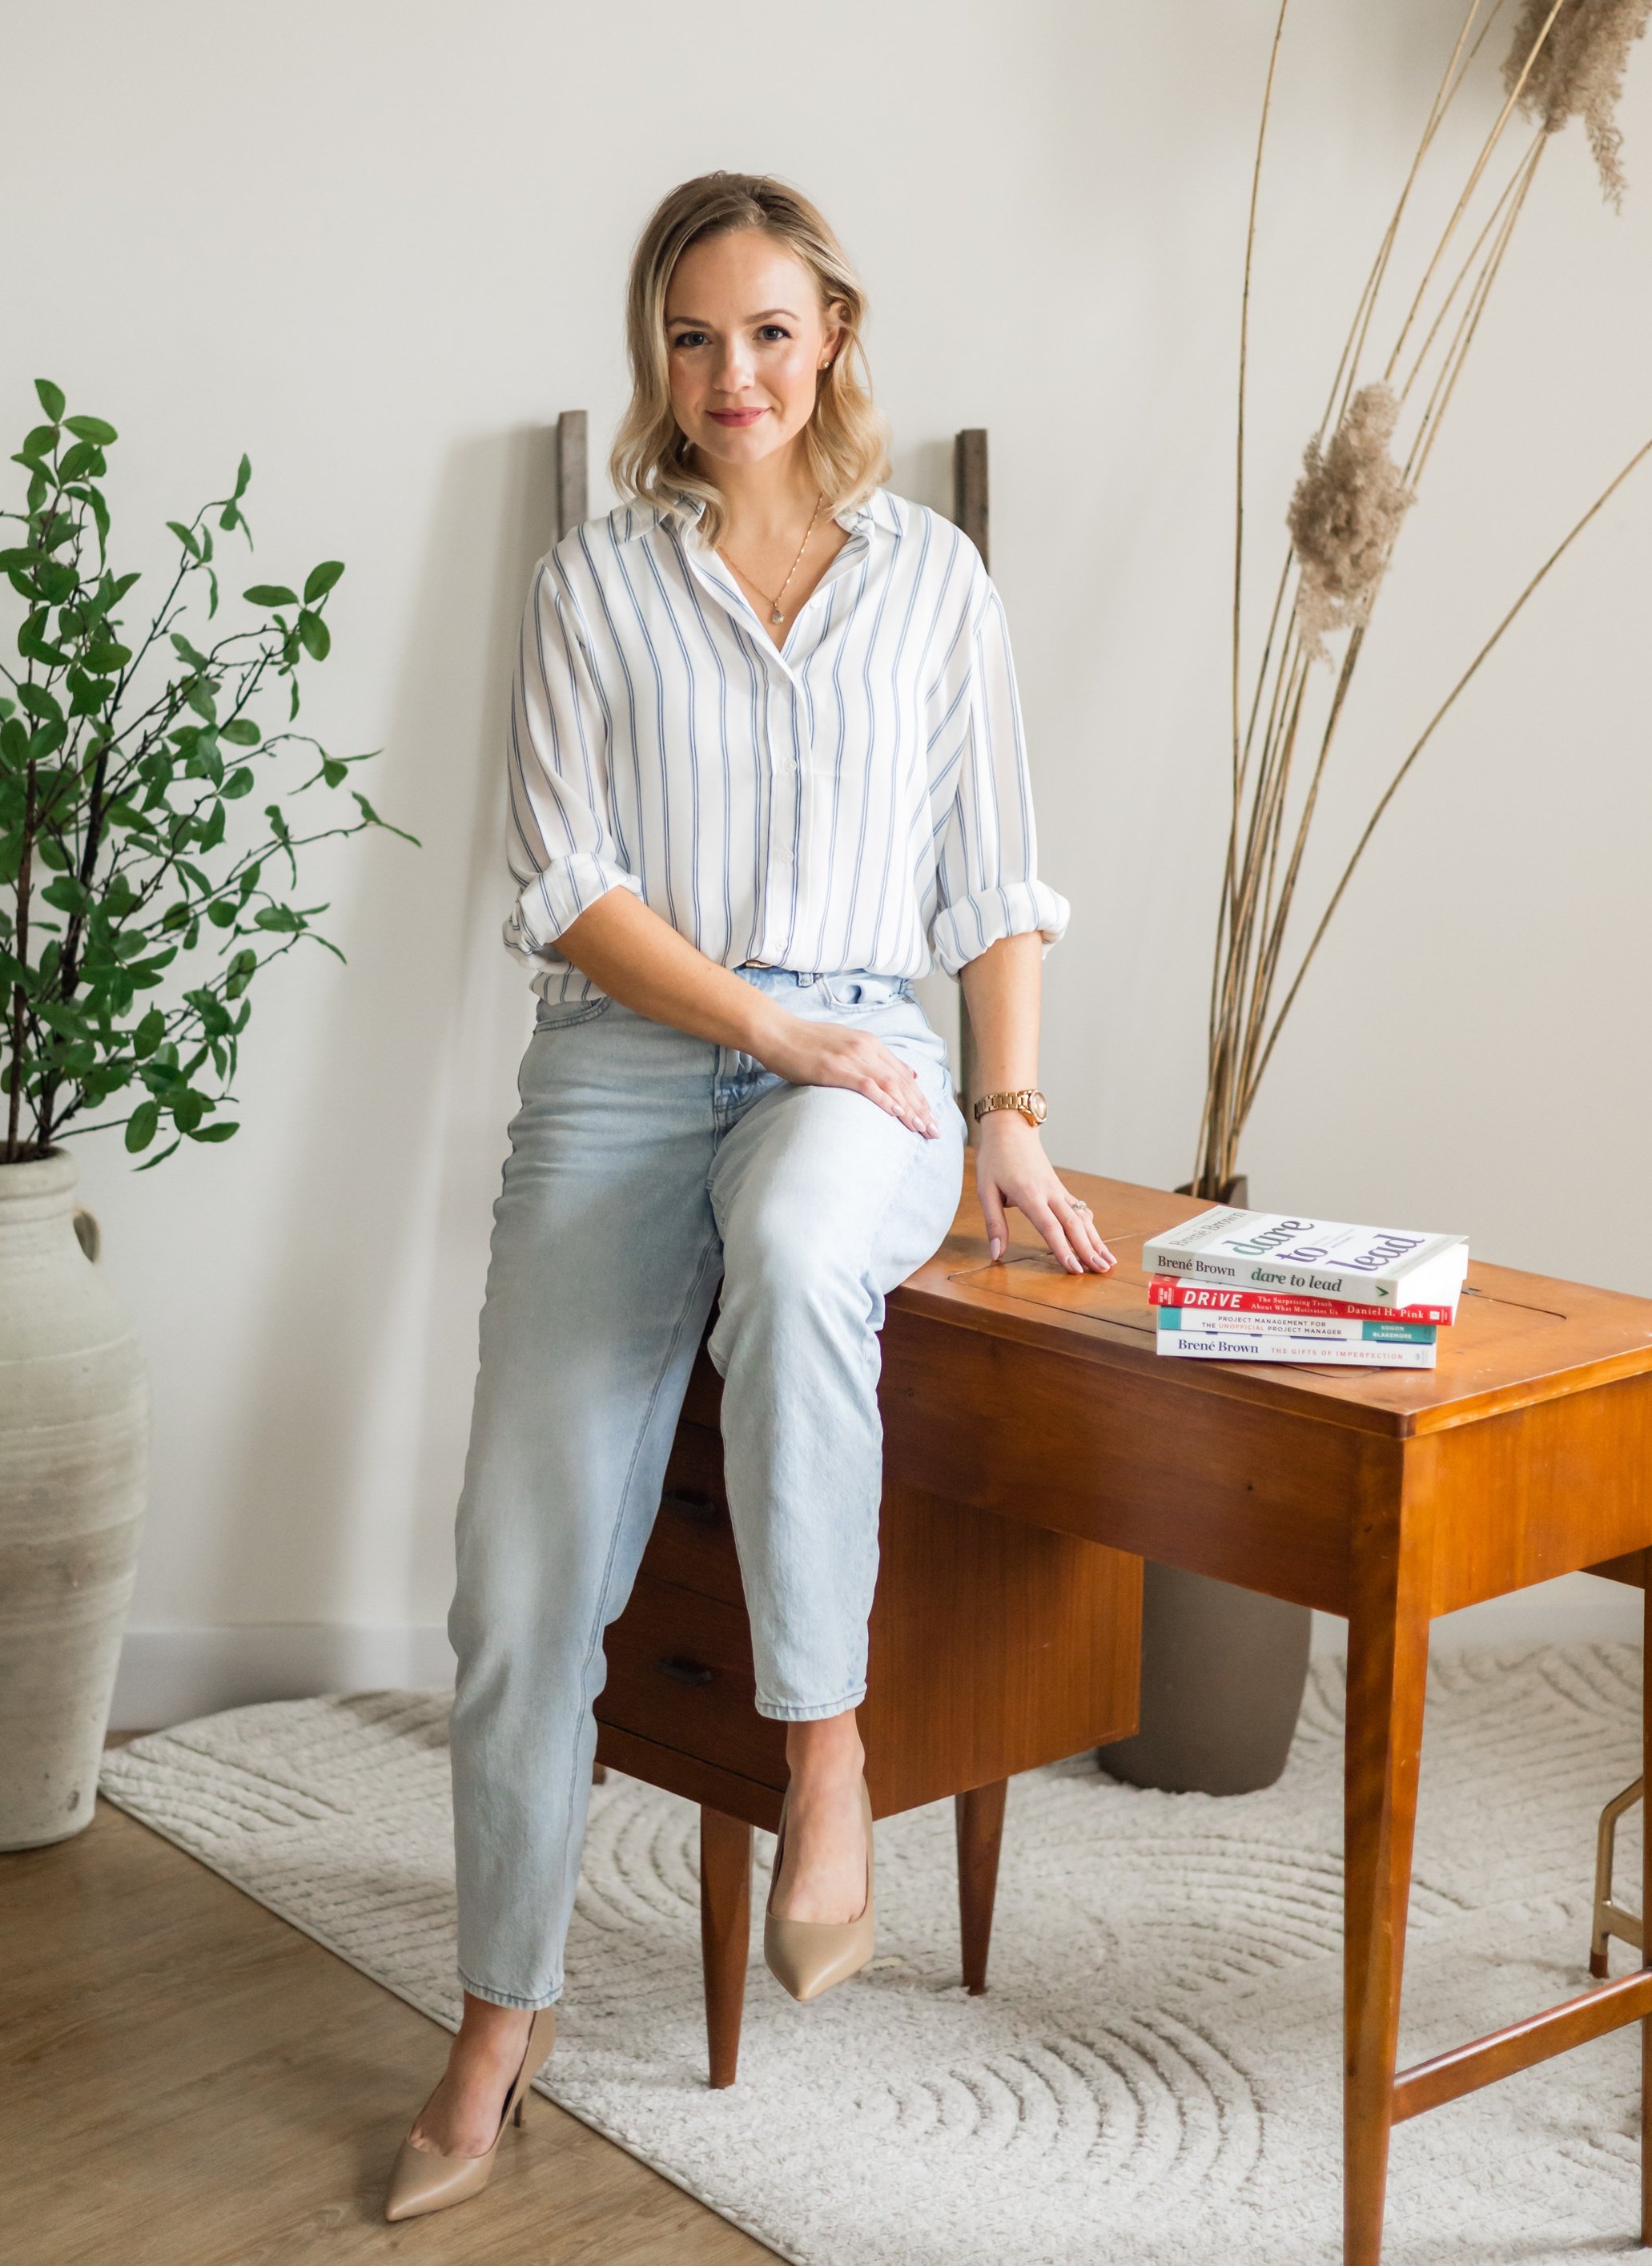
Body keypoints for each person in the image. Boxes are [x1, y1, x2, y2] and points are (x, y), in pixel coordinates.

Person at [385, 169, 1114, 2224]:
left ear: (833, 338)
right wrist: (770, 1039)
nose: (731, 374)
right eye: (692, 336)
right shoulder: (591, 585)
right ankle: (496, 2016)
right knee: (520, 1567)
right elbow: (571, 894)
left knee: (802, 1241)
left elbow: (991, 880)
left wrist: (1008, 1108)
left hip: (863, 1058)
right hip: (628, 1064)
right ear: (654, 355)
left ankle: (823, 1746)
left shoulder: (935, 582)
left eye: (768, 331)